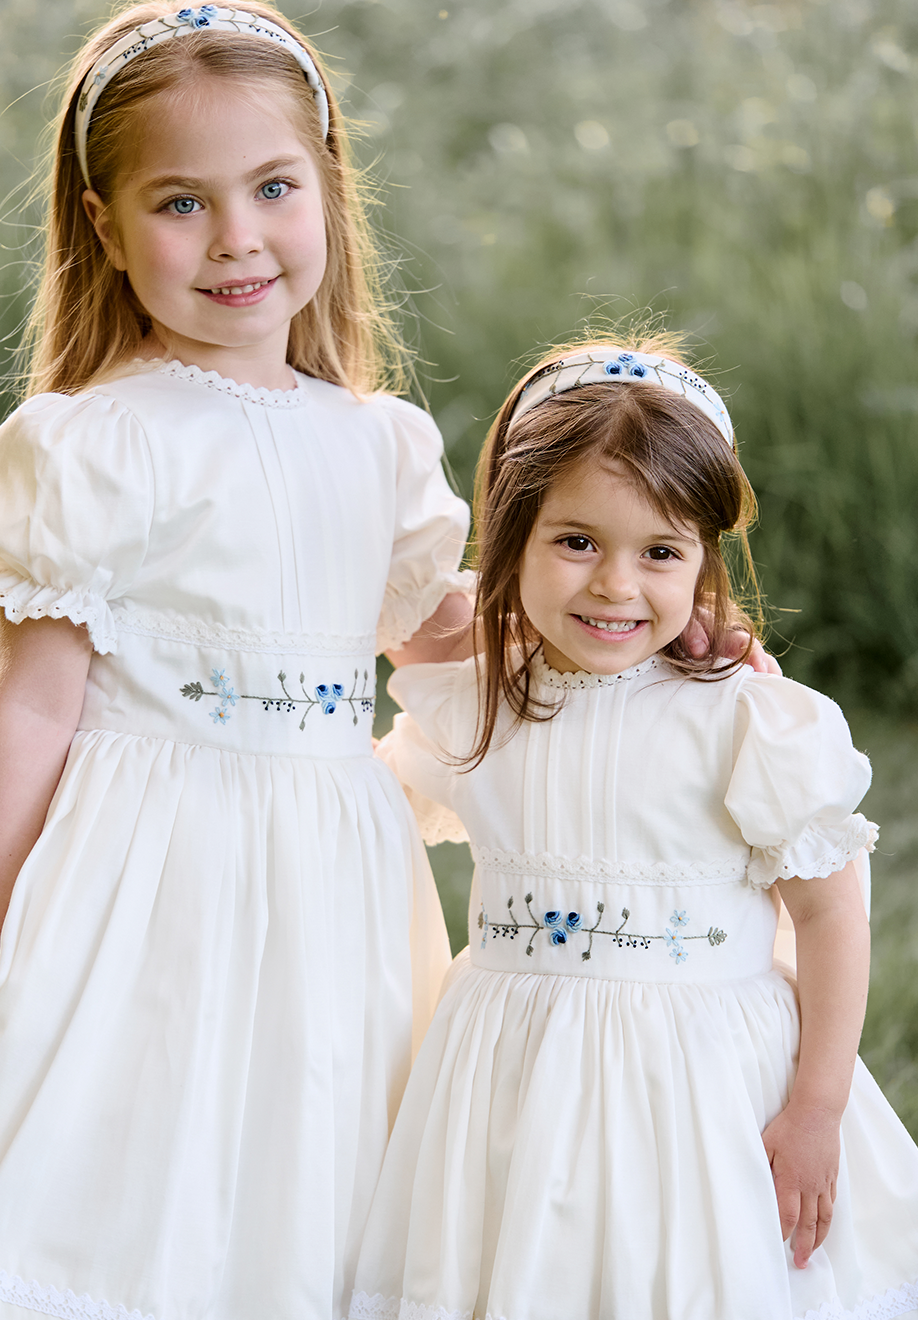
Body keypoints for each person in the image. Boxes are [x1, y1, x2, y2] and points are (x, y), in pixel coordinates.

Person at [0, 6, 473, 1318]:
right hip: (148, 863)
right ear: (106, 229)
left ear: (326, 190)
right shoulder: (99, 445)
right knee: (128, 1134)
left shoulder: (380, 444)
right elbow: (29, 704)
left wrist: (560, 623)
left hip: (330, 871)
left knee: (297, 1139)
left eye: (273, 188)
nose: (236, 236)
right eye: (181, 201)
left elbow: (404, 631)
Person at [348, 340, 918, 1320]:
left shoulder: (743, 718)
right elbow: (373, 793)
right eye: (576, 542)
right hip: (509, 1076)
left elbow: (829, 915)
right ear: (513, 538)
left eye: (659, 552)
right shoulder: (477, 705)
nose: (616, 585)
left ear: (702, 559)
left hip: (698, 1085)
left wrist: (816, 1107)